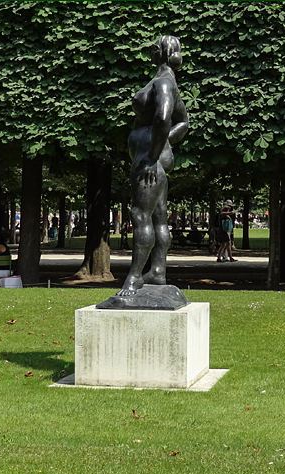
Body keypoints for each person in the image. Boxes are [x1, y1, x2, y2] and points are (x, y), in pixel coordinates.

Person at [117, 35, 189, 296]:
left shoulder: (162, 83)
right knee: (158, 216)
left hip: (148, 162)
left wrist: (153, 152)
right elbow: (184, 122)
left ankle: (135, 277)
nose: (151, 51)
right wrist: (164, 145)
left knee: (140, 215)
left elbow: (163, 117)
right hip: (154, 159)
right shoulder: (168, 82)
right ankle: (157, 271)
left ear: (162, 52)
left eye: (155, 48)